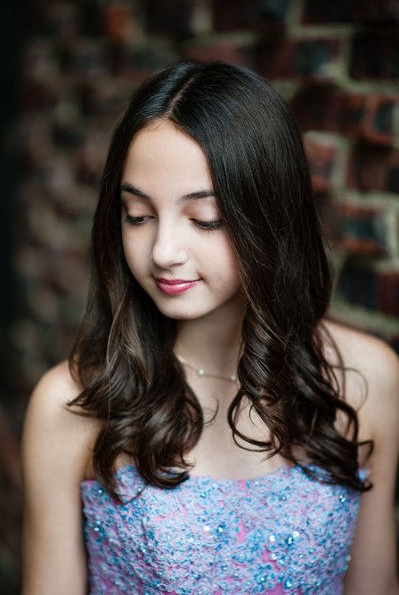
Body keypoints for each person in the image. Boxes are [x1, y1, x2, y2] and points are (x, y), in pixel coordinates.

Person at [21, 61, 399, 595]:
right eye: (137, 215)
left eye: (205, 219)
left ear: (268, 216)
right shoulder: (72, 403)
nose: (163, 252)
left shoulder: (368, 379)